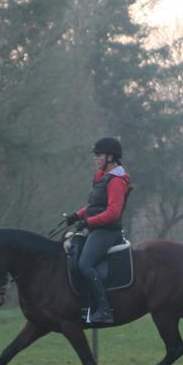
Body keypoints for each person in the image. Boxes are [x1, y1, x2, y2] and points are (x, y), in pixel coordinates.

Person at [69, 137, 130, 324]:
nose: (95, 158)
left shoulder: (117, 181)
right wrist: (77, 216)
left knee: (84, 264)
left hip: (108, 231)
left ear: (110, 157)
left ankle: (104, 310)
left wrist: (88, 222)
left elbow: (113, 213)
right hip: (97, 227)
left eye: (98, 155)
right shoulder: (101, 177)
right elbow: (94, 205)